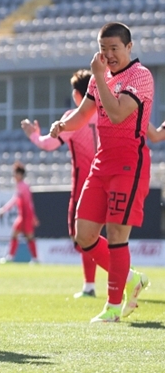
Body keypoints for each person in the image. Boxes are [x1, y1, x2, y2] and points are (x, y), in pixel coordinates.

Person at [50, 22, 151, 323]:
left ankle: (113, 306)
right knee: (84, 235)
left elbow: (118, 113)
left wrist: (98, 76)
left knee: (117, 234)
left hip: (128, 164)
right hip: (101, 163)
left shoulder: (140, 76)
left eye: (114, 48)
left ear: (129, 47)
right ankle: (131, 278)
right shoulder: (100, 78)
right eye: (103, 48)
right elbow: (84, 114)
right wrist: (63, 125)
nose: (108, 55)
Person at [21, 70, 100, 297]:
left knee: (82, 236)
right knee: (109, 235)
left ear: (77, 95)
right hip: (110, 179)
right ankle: (102, 283)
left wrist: (34, 135)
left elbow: (49, 144)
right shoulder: (107, 113)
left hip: (85, 184)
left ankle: (113, 279)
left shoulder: (74, 117)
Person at [0, 162, 40, 264]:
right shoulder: (24, 185)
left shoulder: (22, 186)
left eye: (15, 174)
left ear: (20, 174)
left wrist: (4, 209)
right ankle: (12, 257)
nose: (14, 176)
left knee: (28, 236)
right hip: (24, 215)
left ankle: (34, 259)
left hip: (25, 215)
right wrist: (33, 216)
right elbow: (29, 202)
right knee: (16, 234)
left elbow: (17, 200)